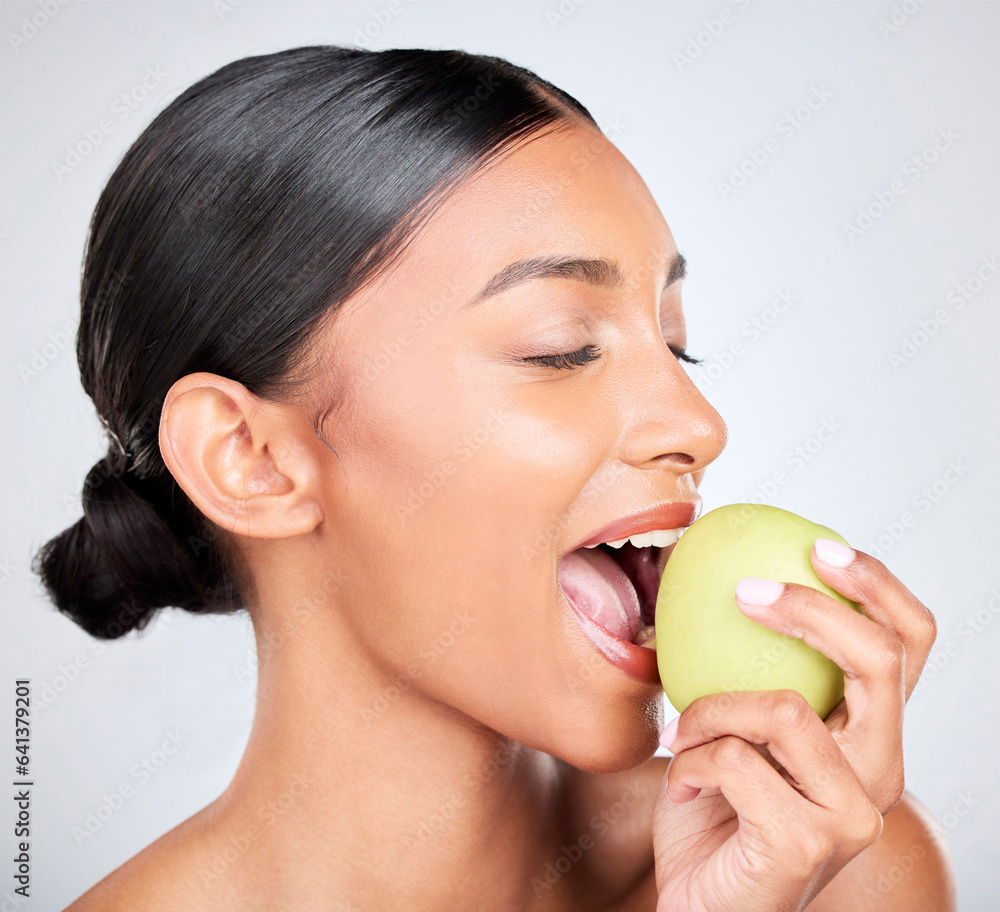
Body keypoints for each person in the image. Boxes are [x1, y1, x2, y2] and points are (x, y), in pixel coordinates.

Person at [34, 45, 954, 910]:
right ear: (252, 459)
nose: (699, 426)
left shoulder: (818, 868)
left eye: (677, 346)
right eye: (560, 349)